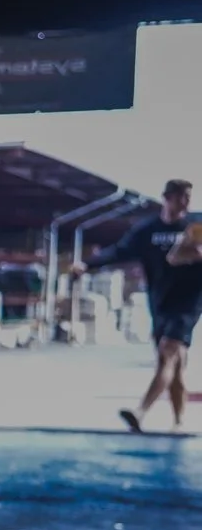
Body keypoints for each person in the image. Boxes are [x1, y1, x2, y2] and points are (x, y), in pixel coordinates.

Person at [79, 178, 200, 432]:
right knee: (175, 365)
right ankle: (178, 422)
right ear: (167, 198)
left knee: (167, 352)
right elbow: (118, 251)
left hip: (189, 301)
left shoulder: (196, 226)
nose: (187, 203)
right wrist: (87, 264)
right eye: (181, 197)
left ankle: (140, 412)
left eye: (189, 197)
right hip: (160, 301)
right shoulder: (146, 230)